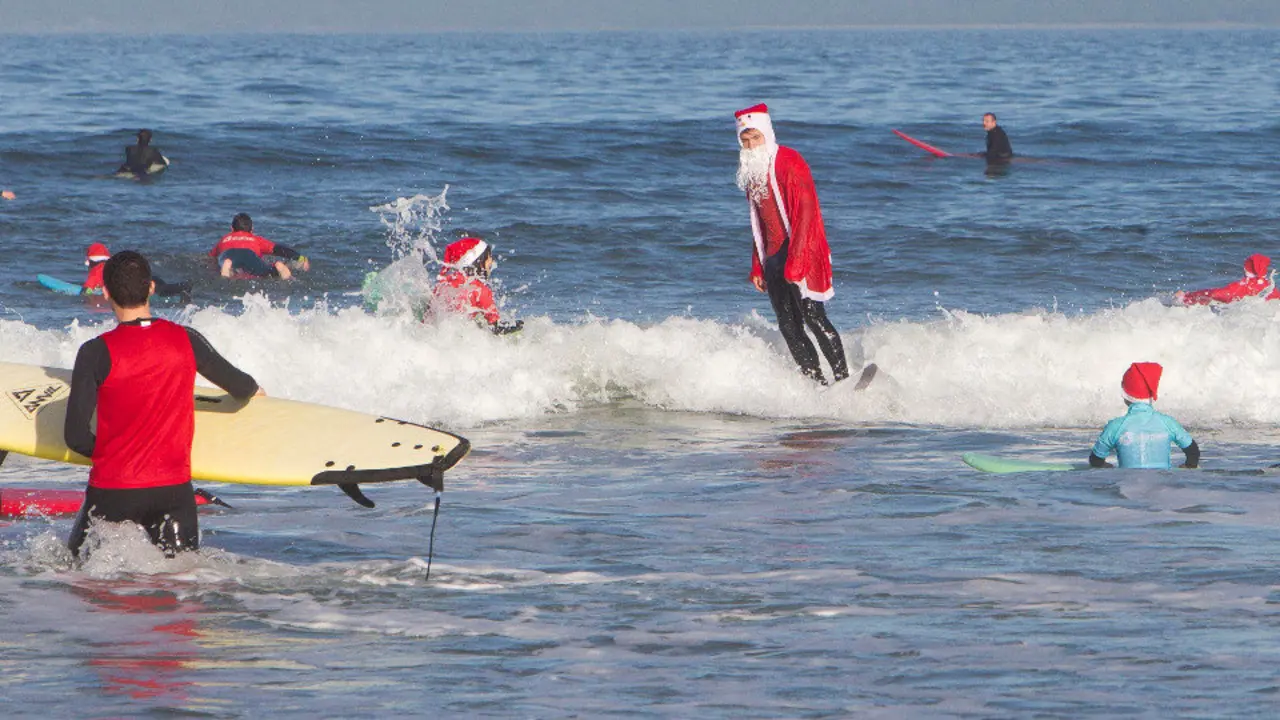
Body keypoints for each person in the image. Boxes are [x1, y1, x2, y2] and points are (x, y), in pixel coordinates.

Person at [64, 251, 262, 557]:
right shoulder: (187, 339)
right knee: (181, 582)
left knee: (75, 575)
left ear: (105, 293)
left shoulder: (94, 352)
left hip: (114, 489)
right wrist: (256, 391)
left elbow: (75, 437)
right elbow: (241, 386)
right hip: (174, 492)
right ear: (151, 288)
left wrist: (115, 455)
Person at [734, 103, 849, 384]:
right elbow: (759, 224)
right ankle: (816, 384)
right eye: (745, 141)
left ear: (767, 133)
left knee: (813, 316)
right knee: (788, 325)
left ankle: (844, 380)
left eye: (756, 138)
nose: (751, 146)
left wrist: (796, 263)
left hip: (803, 251)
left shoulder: (789, 161)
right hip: (773, 257)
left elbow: (806, 215)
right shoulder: (753, 171)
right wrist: (758, 266)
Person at [1089, 362, 1199, 470]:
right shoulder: (1167, 423)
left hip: (1127, 484)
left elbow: (1095, 460)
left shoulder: (1115, 426)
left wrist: (1105, 466)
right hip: (1163, 484)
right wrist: (1188, 466)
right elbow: (1193, 452)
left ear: (1125, 395)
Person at [433, 236, 523, 334]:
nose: (491, 262)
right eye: (489, 257)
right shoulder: (480, 290)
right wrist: (516, 326)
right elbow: (496, 328)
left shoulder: (443, 284)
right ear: (479, 262)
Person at [209, 213, 310, 279]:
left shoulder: (224, 239)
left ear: (231, 229)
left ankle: (228, 268)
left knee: (229, 270)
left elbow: (211, 258)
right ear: (252, 230)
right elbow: (279, 250)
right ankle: (277, 267)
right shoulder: (255, 239)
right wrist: (300, 258)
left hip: (228, 254)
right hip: (250, 255)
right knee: (266, 272)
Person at [81, 243, 191, 299]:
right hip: (147, 277)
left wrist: (84, 296)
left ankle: (184, 287)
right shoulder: (112, 264)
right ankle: (181, 288)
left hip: (139, 284)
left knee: (163, 292)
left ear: (91, 262)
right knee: (165, 289)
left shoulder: (96, 271)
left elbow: (86, 290)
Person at [1175, 253, 1279, 305]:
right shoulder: (1271, 288)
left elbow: (1213, 294)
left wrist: (1186, 297)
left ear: (1246, 269)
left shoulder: (1242, 287)